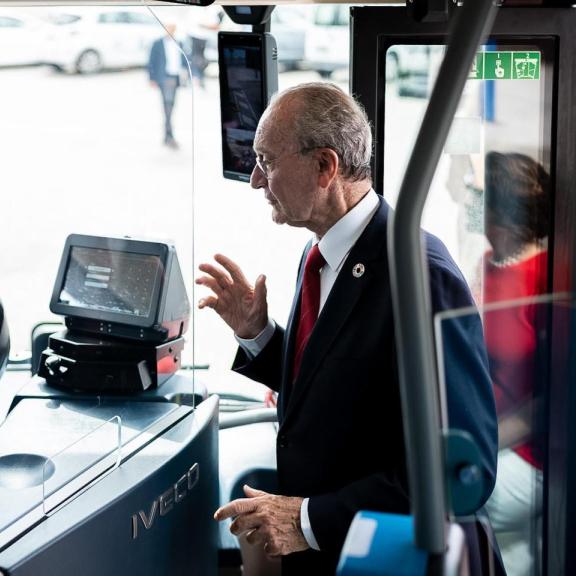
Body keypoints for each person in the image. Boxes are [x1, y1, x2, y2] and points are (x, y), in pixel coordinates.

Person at [199, 83, 498, 574]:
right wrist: (258, 334)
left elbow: (462, 474)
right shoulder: (318, 253)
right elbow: (339, 386)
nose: (255, 180)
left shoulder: (422, 278)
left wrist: (307, 519)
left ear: (324, 167)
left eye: (266, 161)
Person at [479, 152, 550, 576]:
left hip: (527, 454)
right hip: (491, 433)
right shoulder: (491, 266)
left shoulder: (547, 282)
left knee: (432, 489)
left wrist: (481, 445)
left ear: (500, 223)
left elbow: (545, 403)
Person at [147, 23, 185, 149]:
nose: (171, 30)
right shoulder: (157, 43)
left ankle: (167, 137)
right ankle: (169, 136)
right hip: (165, 78)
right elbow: (151, 61)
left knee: (171, 107)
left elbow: (184, 60)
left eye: (173, 28)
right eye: (168, 27)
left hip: (175, 78)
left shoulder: (179, 42)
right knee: (168, 108)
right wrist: (152, 78)